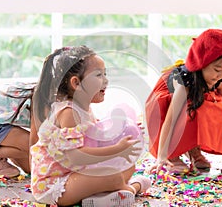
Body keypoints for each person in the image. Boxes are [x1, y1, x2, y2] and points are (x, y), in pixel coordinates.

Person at [30, 45, 151, 206]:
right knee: (113, 177)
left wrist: (124, 132)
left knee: (128, 166)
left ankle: (103, 196)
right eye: (99, 75)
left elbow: (96, 137)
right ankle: (131, 189)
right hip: (56, 183)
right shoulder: (68, 113)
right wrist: (117, 150)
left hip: (76, 172)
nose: (106, 80)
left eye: (105, 74)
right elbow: (75, 156)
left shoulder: (85, 108)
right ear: (77, 83)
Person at [145, 29, 222, 174]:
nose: (221, 74)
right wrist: (162, 156)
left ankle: (192, 148)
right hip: (167, 101)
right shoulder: (184, 83)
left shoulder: (221, 78)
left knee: (213, 107)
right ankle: (172, 153)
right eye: (217, 69)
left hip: (196, 96)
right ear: (201, 64)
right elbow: (171, 119)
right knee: (190, 109)